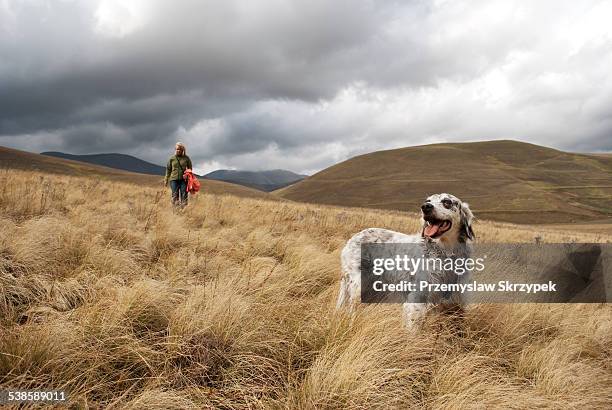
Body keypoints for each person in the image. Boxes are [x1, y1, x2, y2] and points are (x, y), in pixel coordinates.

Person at [164, 142, 193, 208]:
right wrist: (166, 179)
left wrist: (187, 174)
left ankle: (184, 210)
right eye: (177, 149)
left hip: (184, 180)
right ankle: (175, 211)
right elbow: (168, 169)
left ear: (182, 150)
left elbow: (190, 168)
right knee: (175, 195)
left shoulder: (186, 158)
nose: (178, 150)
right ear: (175, 150)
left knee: (184, 195)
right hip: (173, 180)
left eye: (180, 149)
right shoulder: (172, 158)